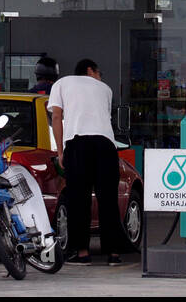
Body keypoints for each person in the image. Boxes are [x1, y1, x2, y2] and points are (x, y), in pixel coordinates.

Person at [48, 58, 132, 265]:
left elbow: (57, 118)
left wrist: (60, 151)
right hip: (106, 145)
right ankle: (113, 253)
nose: (100, 76)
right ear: (90, 70)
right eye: (99, 72)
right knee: (108, 199)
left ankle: (82, 252)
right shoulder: (105, 89)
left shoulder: (61, 83)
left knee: (79, 199)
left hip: (78, 143)